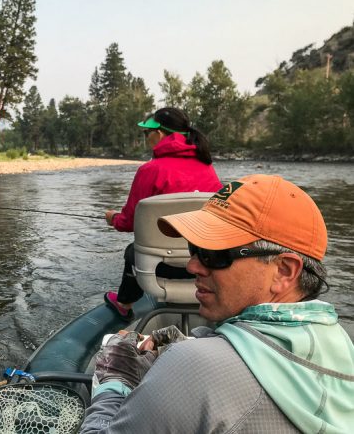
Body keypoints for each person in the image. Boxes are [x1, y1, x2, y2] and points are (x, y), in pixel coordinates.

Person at [81, 174, 354, 433]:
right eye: (194, 249)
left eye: (214, 254)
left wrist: (116, 379)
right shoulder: (340, 343)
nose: (192, 265)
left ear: (283, 271)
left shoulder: (194, 366)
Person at [104, 107, 221, 320]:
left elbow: (129, 222)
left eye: (146, 132)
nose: (146, 137)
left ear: (158, 134)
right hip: (204, 264)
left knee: (132, 251)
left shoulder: (150, 170)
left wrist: (112, 218)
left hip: (161, 268)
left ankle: (124, 303)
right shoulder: (207, 167)